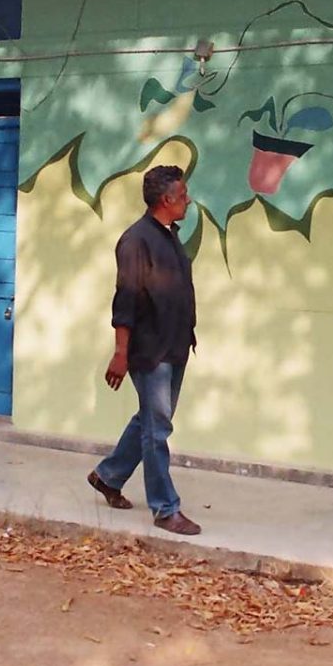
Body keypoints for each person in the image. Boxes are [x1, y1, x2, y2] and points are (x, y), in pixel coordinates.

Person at [86, 164, 202, 535]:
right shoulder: (136, 241)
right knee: (158, 429)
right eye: (183, 195)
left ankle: (108, 476)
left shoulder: (168, 236)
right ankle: (165, 508)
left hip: (175, 346)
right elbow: (126, 300)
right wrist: (121, 352)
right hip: (150, 351)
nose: (188, 200)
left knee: (151, 421)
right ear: (167, 200)